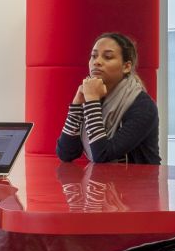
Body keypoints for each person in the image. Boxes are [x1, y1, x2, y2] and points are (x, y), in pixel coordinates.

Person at [56, 32, 161, 165]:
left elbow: (103, 155)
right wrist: (76, 105)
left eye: (108, 57)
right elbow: (66, 153)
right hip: (101, 177)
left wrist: (92, 101)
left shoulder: (143, 106)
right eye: (94, 56)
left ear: (126, 66)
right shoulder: (93, 97)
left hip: (138, 178)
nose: (97, 62)